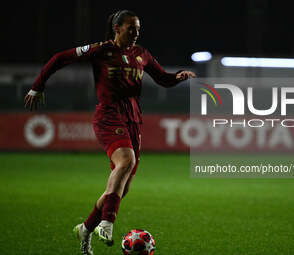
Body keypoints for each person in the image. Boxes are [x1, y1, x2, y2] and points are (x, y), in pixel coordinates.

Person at [24, 10, 195, 255]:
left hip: (134, 121)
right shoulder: (100, 50)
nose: (136, 33)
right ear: (117, 28)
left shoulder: (141, 54)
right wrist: (37, 86)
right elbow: (60, 57)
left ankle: (86, 228)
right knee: (126, 161)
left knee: (121, 189)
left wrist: (177, 77)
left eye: (138, 29)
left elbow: (162, 79)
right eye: (130, 28)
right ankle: (107, 222)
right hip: (108, 116)